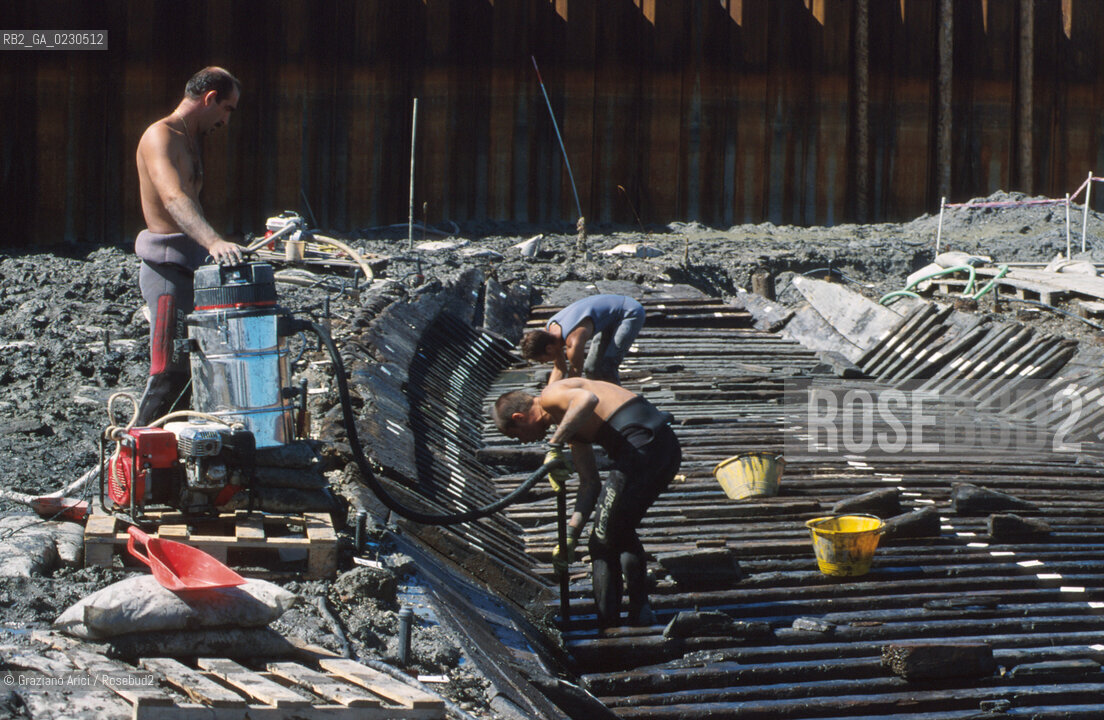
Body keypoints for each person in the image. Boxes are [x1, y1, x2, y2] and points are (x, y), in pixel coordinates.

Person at [492, 378, 680, 628]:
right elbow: (590, 484)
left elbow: (587, 400)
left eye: (515, 436)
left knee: (601, 542)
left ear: (519, 417)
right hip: (662, 447)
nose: (523, 443)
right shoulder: (573, 427)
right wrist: (571, 535)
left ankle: (608, 624)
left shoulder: (550, 395)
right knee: (618, 530)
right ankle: (639, 612)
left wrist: (554, 444)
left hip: (642, 446)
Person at [133, 67, 244, 425]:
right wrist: (213, 241)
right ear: (210, 98)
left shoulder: (190, 140)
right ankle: (128, 461)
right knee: (168, 375)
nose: (226, 121)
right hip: (167, 274)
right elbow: (172, 197)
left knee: (195, 379)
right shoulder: (159, 136)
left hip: (191, 270)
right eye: (227, 109)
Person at [519, 294, 645, 385]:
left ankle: (620, 406)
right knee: (591, 368)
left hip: (628, 311)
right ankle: (602, 401)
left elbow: (574, 378)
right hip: (609, 318)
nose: (542, 363)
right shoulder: (550, 335)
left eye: (541, 360)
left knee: (607, 365)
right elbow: (559, 369)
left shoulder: (573, 341)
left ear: (549, 348)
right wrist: (547, 396)